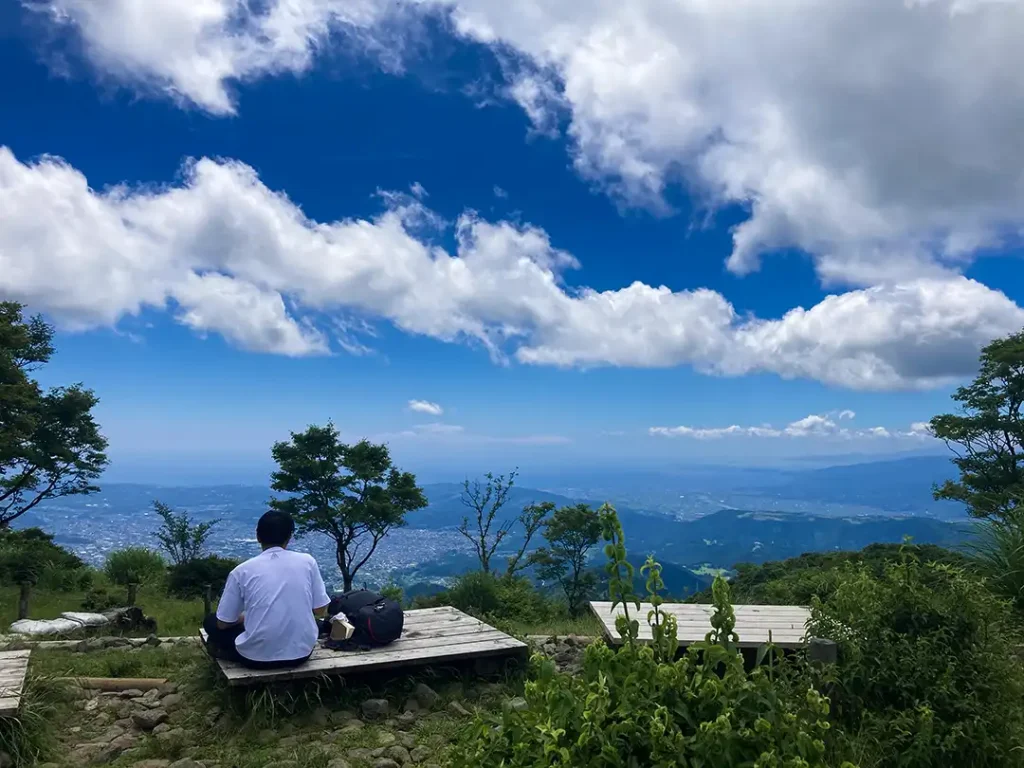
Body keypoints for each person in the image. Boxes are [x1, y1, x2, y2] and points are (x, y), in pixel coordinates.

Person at [202, 510, 330, 669]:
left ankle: (226, 651)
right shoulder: (307, 562)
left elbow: (223, 623)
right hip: (302, 654)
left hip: (255, 658)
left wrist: (245, 617)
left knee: (211, 622)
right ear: (289, 537)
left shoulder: (241, 571)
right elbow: (320, 610)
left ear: (258, 536)